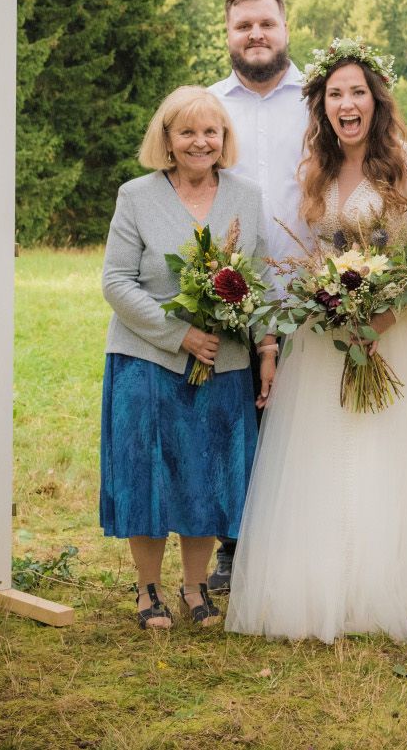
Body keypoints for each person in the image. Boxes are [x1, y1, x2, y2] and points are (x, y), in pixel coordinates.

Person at [225, 39, 407, 643]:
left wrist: (379, 320)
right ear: (321, 106)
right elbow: (313, 252)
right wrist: (328, 306)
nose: (347, 105)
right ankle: (328, 583)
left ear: (376, 100)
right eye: (335, 95)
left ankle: (390, 583)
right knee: (323, 455)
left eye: (357, 93)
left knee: (385, 455)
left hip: (396, 334)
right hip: (328, 338)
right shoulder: (316, 169)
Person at [99, 86, 276, 629]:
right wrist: (180, 335)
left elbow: (262, 282)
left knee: (208, 472)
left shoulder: (246, 197)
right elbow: (116, 281)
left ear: (224, 138)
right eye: (187, 132)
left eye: (210, 132)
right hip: (146, 359)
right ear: (167, 139)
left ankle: (196, 588)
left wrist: (267, 348)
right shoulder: (136, 196)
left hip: (224, 363)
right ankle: (147, 589)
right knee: (147, 473)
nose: (200, 142)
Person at [205, 0, 308, 592]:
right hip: (234, 291)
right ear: (228, 35)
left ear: (285, 28)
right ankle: (234, 548)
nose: (256, 35)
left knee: (301, 422)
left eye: (266, 23)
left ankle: (300, 543)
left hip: (311, 287)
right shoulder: (210, 107)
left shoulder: (319, 99)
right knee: (234, 420)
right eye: (243, 25)